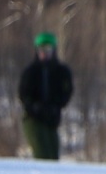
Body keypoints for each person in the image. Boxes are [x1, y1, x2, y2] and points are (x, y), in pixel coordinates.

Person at [17, 31, 73, 160]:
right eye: (41, 50)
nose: (44, 53)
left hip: (51, 119)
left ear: (54, 51)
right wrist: (34, 106)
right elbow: (23, 94)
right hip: (33, 119)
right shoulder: (31, 72)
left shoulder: (61, 72)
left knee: (53, 155)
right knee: (42, 154)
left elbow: (67, 91)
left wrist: (56, 106)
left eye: (48, 50)